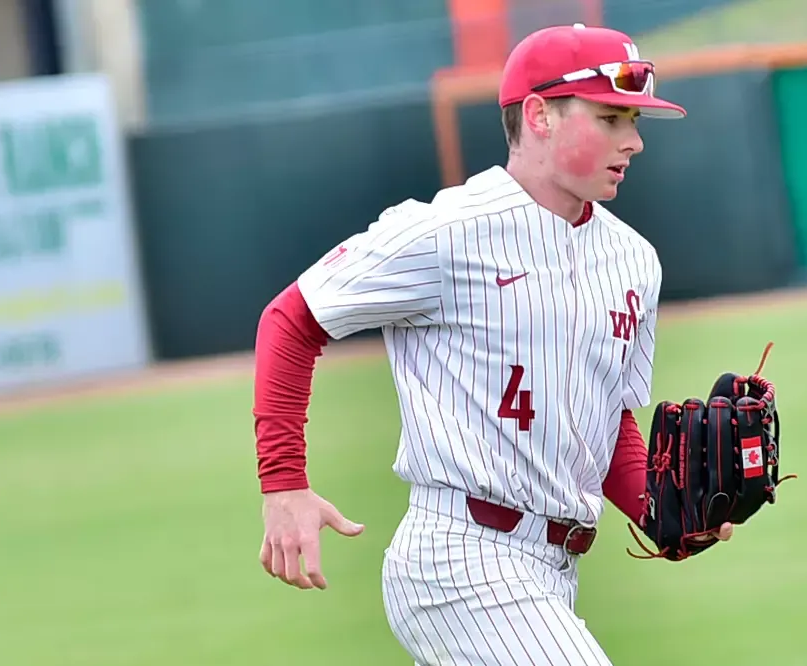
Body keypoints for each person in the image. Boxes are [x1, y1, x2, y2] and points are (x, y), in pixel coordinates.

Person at [251, 23, 732, 665]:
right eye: (612, 117)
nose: (634, 141)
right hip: (459, 560)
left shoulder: (634, 260)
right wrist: (284, 484)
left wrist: (663, 514)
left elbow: (606, 418)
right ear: (539, 115)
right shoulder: (445, 232)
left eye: (635, 120)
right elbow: (291, 319)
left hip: (552, 572)